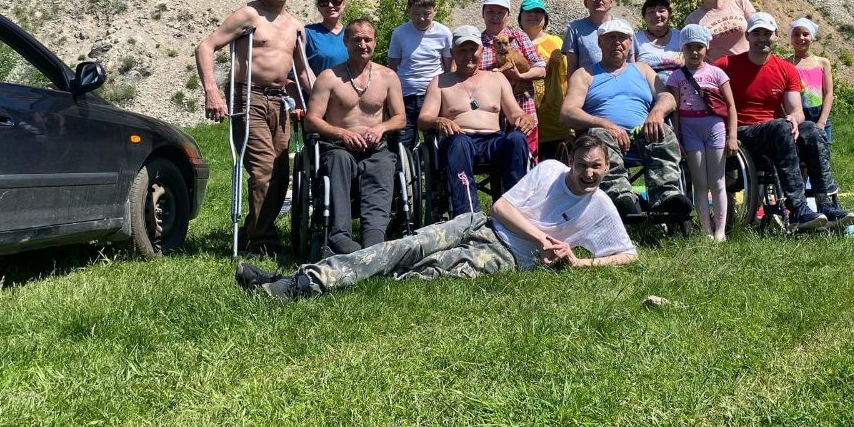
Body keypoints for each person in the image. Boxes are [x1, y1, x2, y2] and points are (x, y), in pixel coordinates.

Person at [234, 135, 638, 302]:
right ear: (571, 160)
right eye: (583, 165)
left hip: (508, 257)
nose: (589, 173)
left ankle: (295, 284)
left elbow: (628, 255)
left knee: (422, 272)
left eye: (597, 167)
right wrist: (544, 239)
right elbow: (501, 207)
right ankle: (303, 280)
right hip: (480, 224)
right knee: (402, 248)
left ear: (606, 167)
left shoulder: (600, 207)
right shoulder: (549, 170)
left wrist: (578, 262)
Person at [195, 0, 313, 256]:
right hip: (248, 96)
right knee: (263, 171)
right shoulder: (249, 14)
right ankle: (263, 243)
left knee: (281, 174)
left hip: (280, 100)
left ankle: (253, 232)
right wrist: (212, 91)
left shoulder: (296, 26)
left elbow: (302, 72)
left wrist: (323, 101)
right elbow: (206, 46)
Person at [714, 12, 854, 232]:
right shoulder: (726, 65)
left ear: (776, 36)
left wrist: (794, 119)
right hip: (743, 133)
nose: (762, 38)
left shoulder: (786, 69)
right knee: (780, 126)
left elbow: (797, 111)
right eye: (756, 33)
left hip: (778, 133)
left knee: (811, 129)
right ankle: (797, 208)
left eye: (767, 33)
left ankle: (826, 203)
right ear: (747, 36)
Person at [559, 18, 691, 219]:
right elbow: (567, 112)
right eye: (610, 38)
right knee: (599, 135)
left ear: (630, 43)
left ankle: (665, 195)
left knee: (663, 130)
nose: (617, 42)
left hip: (643, 134)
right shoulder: (585, 74)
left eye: (622, 38)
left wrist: (656, 113)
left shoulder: (642, 69)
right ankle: (620, 195)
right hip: (604, 137)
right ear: (600, 42)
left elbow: (668, 97)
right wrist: (605, 124)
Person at [304, 19, 406, 253]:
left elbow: (400, 118)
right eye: (356, 39)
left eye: (368, 39)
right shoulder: (329, 77)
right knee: (338, 161)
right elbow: (311, 120)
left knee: (383, 165)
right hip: (338, 147)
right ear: (346, 42)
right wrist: (342, 133)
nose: (363, 45)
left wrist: (381, 128)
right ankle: (340, 236)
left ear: (375, 42)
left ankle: (374, 239)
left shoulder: (388, 76)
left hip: (375, 148)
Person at [418, 26, 535, 216]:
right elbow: (423, 119)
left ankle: (516, 212)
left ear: (482, 51)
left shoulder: (497, 78)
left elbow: (514, 113)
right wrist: (438, 120)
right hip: (460, 139)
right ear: (452, 53)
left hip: (493, 140)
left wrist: (524, 118)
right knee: (459, 143)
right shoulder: (440, 81)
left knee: (516, 139)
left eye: (473, 50)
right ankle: (469, 217)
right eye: (462, 50)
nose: (468, 55)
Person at [666, 25, 737, 240]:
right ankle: (706, 230)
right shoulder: (676, 77)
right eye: (689, 47)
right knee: (700, 183)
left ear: (706, 48)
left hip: (715, 128)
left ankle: (720, 231)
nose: (694, 52)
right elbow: (675, 111)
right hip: (689, 130)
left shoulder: (717, 73)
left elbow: (731, 106)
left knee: (717, 182)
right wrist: (677, 138)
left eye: (699, 47)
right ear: (682, 48)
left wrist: (732, 136)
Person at [478, 0, 545, 157]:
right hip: (489, 118)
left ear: (508, 15)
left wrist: (521, 77)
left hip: (522, 112)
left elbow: (541, 69)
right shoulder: (476, 42)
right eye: (490, 12)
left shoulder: (519, 38)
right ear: (483, 13)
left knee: (524, 160)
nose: (495, 17)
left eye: (500, 12)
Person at [386, 0, 453, 147]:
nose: (421, 19)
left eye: (426, 14)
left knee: (436, 141)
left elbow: (449, 67)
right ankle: (403, 162)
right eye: (416, 14)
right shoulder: (399, 33)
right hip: (405, 94)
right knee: (402, 141)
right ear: (409, 10)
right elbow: (392, 67)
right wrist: (389, 95)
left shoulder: (444, 33)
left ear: (435, 10)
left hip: (433, 95)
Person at [518, 0, 572, 159]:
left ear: (545, 18)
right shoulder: (513, 43)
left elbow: (567, 77)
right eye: (528, 11)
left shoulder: (556, 42)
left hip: (555, 121)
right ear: (520, 17)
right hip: (523, 120)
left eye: (538, 11)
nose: (533, 15)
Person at [684, 0, 755, 62]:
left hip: (750, 65)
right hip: (718, 70)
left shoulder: (740, 2)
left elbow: (759, 31)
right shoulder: (692, 20)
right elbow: (694, 53)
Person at [786, 17, 834, 145]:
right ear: (791, 39)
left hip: (819, 116)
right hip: (797, 117)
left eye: (805, 34)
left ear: (812, 37)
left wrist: (822, 121)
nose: (801, 38)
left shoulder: (822, 63)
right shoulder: (786, 64)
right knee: (800, 152)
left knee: (823, 151)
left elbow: (828, 93)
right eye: (796, 34)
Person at [563, 0, 620, 77]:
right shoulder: (574, 28)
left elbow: (630, 63)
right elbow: (571, 69)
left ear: (611, 2)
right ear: (585, 3)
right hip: (588, 84)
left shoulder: (621, 27)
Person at [634, 0, 683, 78]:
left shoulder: (680, 37)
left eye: (661, 11)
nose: (657, 15)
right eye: (651, 12)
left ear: (669, 13)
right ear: (644, 16)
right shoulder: (635, 40)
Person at [304, 0, 348, 76]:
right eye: (324, 2)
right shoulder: (307, 33)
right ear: (318, 7)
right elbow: (295, 71)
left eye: (336, 1)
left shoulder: (353, 34)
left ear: (343, 4)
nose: (330, 5)